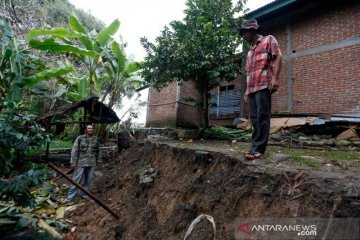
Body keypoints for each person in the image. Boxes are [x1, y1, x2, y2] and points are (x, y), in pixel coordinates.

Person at [240, 19, 282, 160]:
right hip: (252, 89)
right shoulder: (249, 52)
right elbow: (249, 73)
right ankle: (254, 147)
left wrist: (275, 78)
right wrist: (246, 90)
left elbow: (278, 57)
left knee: (263, 116)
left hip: (264, 85)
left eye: (245, 32)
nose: (244, 36)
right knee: (255, 119)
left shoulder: (268, 40)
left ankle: (259, 149)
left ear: (253, 30)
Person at [66, 124, 102, 201]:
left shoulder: (96, 139)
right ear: (86, 130)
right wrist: (72, 161)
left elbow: (99, 151)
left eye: (92, 128)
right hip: (81, 162)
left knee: (89, 180)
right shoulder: (80, 138)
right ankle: (70, 197)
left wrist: (99, 161)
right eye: (89, 128)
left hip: (92, 163)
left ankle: (83, 194)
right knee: (76, 179)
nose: (91, 129)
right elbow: (74, 150)